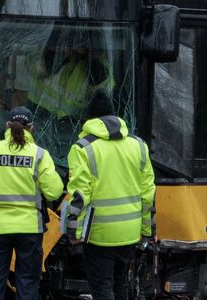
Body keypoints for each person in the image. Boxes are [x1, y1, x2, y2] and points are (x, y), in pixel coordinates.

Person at [0, 106, 64, 300]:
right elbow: (54, 191)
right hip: (29, 229)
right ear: (32, 128)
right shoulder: (40, 154)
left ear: (7, 125)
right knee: (27, 282)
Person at [64, 90, 156, 300]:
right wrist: (147, 230)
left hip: (99, 234)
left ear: (90, 119)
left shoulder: (82, 148)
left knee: (102, 287)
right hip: (129, 233)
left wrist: (74, 233)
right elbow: (148, 194)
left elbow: (80, 194)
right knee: (120, 283)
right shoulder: (139, 146)